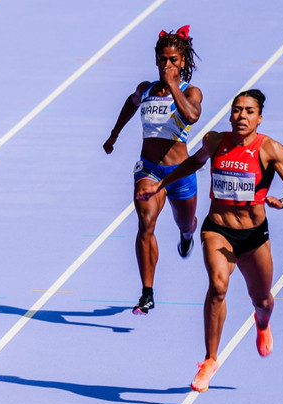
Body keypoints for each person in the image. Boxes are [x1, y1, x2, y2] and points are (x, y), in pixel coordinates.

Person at [137, 89, 283, 392]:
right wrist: (161, 185)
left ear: (259, 118)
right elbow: (192, 163)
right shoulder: (215, 141)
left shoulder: (270, 150)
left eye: (248, 111)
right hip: (216, 229)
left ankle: (262, 322)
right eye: (236, 110)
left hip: (253, 236)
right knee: (218, 286)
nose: (241, 116)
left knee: (262, 300)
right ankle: (209, 359)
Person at [103, 26, 203, 315]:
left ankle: (187, 235)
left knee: (185, 223)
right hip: (149, 172)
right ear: (156, 60)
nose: (167, 65)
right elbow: (131, 104)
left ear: (182, 61)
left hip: (180, 174)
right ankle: (147, 292)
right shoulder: (145, 89)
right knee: (145, 223)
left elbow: (192, 116)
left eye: (173, 60)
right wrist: (114, 134)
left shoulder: (189, 91)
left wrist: (173, 85)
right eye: (162, 59)